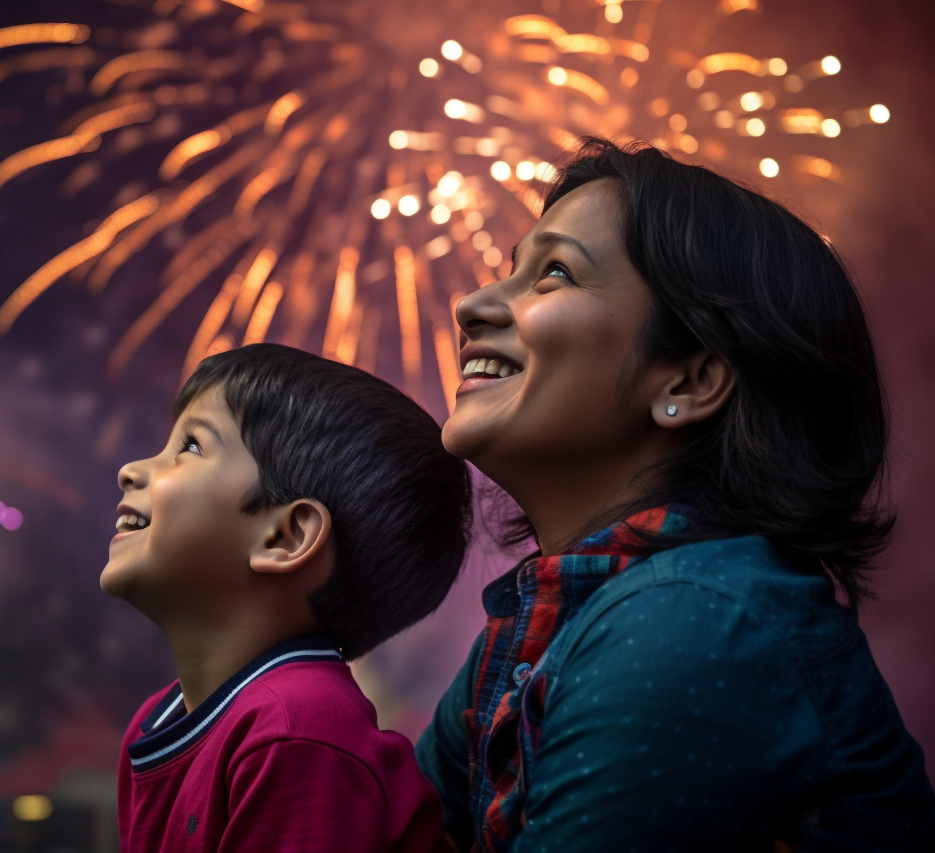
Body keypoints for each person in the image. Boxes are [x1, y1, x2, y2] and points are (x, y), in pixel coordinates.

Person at [416, 138, 935, 851]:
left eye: (555, 274)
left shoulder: (692, 620)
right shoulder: (548, 622)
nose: (472, 305)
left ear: (688, 383)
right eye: (510, 272)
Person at [102, 342, 472, 852]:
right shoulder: (155, 722)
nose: (132, 469)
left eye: (189, 447)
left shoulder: (298, 730)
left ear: (285, 538)